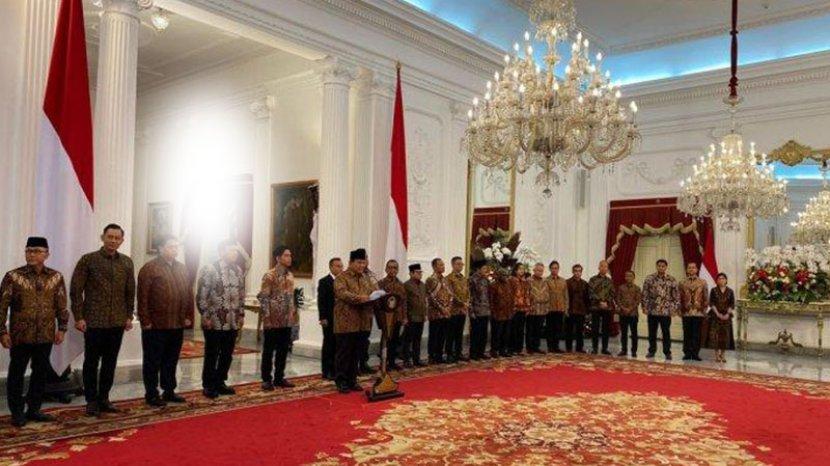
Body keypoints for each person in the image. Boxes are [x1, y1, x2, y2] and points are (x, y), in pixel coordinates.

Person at [0, 237, 68, 427]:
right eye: (28, 250)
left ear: (47, 254)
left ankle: (34, 409)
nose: (31, 254)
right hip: (20, 335)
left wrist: (62, 328)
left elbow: (61, 305)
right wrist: (2, 332)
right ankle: (16, 412)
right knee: (17, 373)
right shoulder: (13, 276)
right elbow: (2, 306)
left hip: (45, 334)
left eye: (36, 251)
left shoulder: (55, 277)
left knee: (40, 373)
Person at [71, 224, 136, 417]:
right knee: (91, 362)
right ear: (103, 237)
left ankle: (104, 398)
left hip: (117, 321)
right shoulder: (88, 260)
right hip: (93, 321)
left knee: (110, 362)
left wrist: (129, 315)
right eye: (110, 237)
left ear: (122, 241)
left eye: (117, 238)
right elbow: (76, 290)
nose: (113, 241)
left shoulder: (127, 262)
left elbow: (130, 291)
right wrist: (78, 316)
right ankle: (91, 400)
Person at [137, 235, 193, 407]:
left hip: (176, 323)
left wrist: (189, 316)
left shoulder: (182, 268)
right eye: (170, 246)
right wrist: (145, 320)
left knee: (171, 359)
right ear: (160, 248)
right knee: (153, 360)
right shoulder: (149, 268)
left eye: (176, 247)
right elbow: (142, 297)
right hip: (156, 324)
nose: (174, 250)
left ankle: (169, 391)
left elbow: (188, 293)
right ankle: (151, 393)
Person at [196, 240, 251, 398]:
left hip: (232, 321)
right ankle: (208, 385)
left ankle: (220, 382)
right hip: (214, 320)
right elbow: (202, 295)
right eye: (231, 251)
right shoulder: (210, 269)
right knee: (212, 353)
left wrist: (241, 314)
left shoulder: (238, 270)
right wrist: (205, 315)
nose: (234, 254)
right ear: (221, 252)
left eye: (235, 251)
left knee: (227, 353)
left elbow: (241, 294)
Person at [333, 248, 377, 393]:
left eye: (363, 263)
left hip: (362, 322)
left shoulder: (365, 278)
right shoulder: (341, 277)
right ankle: (341, 381)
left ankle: (352, 380)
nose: (361, 266)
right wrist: (361, 298)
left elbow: (372, 291)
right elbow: (343, 294)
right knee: (344, 354)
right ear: (350, 262)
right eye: (358, 263)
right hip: (346, 323)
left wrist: (377, 295)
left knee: (356, 353)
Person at [257, 246, 298, 390]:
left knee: (283, 350)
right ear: (278, 258)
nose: (289, 258)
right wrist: (267, 319)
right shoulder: (269, 275)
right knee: (268, 351)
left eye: (290, 255)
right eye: (286, 255)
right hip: (272, 320)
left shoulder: (290, 275)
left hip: (286, 320)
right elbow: (264, 298)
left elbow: (291, 297)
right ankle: (266, 379)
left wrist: (293, 314)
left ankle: (279, 377)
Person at [641, 258, 680, 360]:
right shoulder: (649, 278)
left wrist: (674, 309)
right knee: (652, 332)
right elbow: (645, 293)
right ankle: (651, 351)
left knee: (666, 333)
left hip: (666, 311)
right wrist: (644, 307)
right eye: (659, 266)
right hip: (652, 310)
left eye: (663, 266)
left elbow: (676, 296)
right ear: (656, 266)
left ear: (666, 267)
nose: (661, 268)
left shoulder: (671, 280)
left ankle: (667, 352)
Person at [377, 260, 407, 371]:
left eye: (395, 268)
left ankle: (392, 362)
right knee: (385, 340)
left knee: (395, 340)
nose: (392, 270)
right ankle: (383, 363)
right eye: (390, 267)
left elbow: (404, 301)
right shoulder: (381, 283)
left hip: (397, 317)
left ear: (397, 270)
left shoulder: (400, 284)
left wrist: (404, 317)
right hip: (386, 317)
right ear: (386, 269)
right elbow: (378, 301)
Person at [317, 257, 342, 380]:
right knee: (329, 344)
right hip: (329, 318)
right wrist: (323, 317)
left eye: (341, 266)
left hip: (340, 318)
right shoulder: (324, 281)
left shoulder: (343, 281)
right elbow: (321, 301)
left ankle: (336, 369)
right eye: (337, 266)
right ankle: (326, 371)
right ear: (331, 267)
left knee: (338, 345)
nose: (340, 268)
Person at [703, 273, 736, 363]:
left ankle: (723, 355)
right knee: (715, 336)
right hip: (715, 316)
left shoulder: (730, 291)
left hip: (726, 316)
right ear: (717, 281)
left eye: (723, 278)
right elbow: (711, 303)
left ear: (726, 280)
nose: (721, 280)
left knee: (725, 336)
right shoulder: (714, 290)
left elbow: (732, 304)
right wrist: (717, 313)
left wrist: (727, 314)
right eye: (719, 279)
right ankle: (717, 355)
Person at [679, 262, 708, 361]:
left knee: (697, 334)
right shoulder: (682, 282)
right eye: (689, 268)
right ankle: (687, 353)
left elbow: (706, 297)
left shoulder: (702, 282)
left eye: (693, 268)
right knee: (687, 333)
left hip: (698, 312)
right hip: (686, 313)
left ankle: (695, 353)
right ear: (687, 270)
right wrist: (680, 309)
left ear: (697, 269)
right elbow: (679, 297)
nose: (691, 269)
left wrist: (704, 309)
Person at [425, 258, 452, 364]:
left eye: (443, 265)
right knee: (434, 335)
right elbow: (431, 297)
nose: (443, 267)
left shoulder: (445, 280)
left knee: (442, 335)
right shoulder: (430, 280)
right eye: (440, 265)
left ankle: (439, 355)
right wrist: (442, 308)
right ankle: (432, 356)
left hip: (446, 313)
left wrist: (448, 307)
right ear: (434, 267)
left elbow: (451, 294)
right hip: (435, 313)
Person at [445, 257, 470, 363]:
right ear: (453, 265)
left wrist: (467, 301)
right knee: (451, 333)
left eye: (461, 264)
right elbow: (450, 294)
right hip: (453, 310)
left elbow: (467, 292)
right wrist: (462, 303)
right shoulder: (448, 278)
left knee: (459, 333)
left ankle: (458, 352)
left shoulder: (464, 278)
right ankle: (449, 354)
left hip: (462, 310)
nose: (460, 266)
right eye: (458, 264)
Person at [588, 260, 615, 355]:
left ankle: (604, 348)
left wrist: (606, 302)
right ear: (599, 267)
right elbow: (590, 292)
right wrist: (599, 301)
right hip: (596, 307)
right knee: (595, 328)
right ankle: (594, 348)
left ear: (607, 269)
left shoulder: (610, 281)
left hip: (607, 308)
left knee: (605, 329)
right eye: (602, 266)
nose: (604, 268)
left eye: (605, 267)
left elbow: (612, 293)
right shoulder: (593, 279)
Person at [403, 263, 427, 367]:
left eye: (420, 272)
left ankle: (416, 359)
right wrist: (405, 317)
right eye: (417, 272)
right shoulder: (406, 285)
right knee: (408, 340)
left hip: (420, 316)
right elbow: (404, 302)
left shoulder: (422, 285)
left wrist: (425, 314)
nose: (420, 274)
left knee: (418, 339)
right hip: (411, 316)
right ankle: (406, 360)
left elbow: (424, 301)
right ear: (411, 273)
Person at [358, 264, 380, 374]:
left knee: (365, 339)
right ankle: (354, 365)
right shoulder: (352, 276)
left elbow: (376, 289)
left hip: (368, 313)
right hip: (357, 313)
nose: (364, 262)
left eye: (365, 259)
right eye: (361, 260)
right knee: (356, 340)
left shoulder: (370, 275)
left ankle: (363, 363)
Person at [467, 260, 491, 360]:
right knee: (475, 333)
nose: (486, 270)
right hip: (476, 311)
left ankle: (481, 352)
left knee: (483, 333)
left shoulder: (486, 280)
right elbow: (469, 296)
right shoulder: (472, 280)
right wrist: (471, 312)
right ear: (478, 269)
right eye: (484, 268)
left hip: (485, 310)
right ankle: (474, 353)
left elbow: (488, 296)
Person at [489, 266, 515, 358]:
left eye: (506, 275)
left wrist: (512, 310)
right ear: (499, 275)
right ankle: (494, 350)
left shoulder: (509, 284)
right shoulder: (493, 285)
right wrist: (493, 312)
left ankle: (503, 350)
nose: (505, 277)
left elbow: (511, 297)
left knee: (506, 333)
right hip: (497, 313)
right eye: (503, 275)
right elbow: (491, 300)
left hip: (508, 313)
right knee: (496, 333)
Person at [616, 270, 642, 357]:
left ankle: (634, 351)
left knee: (634, 333)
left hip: (633, 314)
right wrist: (623, 308)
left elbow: (638, 301)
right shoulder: (621, 288)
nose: (628, 278)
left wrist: (630, 309)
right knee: (623, 333)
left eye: (630, 276)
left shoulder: (637, 288)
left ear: (634, 277)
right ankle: (624, 350)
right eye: (627, 276)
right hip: (623, 314)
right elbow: (618, 299)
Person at [545, 261, 569, 353]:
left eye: (556, 268)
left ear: (558, 269)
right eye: (553, 268)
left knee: (558, 329)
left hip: (560, 308)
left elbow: (565, 295)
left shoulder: (563, 281)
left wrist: (566, 308)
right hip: (550, 308)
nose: (554, 270)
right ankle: (550, 347)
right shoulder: (546, 280)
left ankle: (556, 346)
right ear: (550, 269)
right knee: (550, 329)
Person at [565, 264, 590, 353]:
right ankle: (568, 348)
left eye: (579, 271)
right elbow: (565, 297)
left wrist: (587, 311)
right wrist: (566, 309)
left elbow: (587, 298)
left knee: (580, 331)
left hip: (581, 310)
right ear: (573, 272)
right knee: (569, 330)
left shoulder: (585, 283)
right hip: (570, 310)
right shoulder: (567, 282)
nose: (577, 273)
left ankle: (579, 348)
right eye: (575, 271)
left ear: (581, 272)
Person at [527, 263, 549, 354]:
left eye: (541, 271)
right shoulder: (529, 280)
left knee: (538, 329)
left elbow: (547, 293)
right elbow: (527, 294)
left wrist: (546, 306)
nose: (540, 272)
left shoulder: (545, 281)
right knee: (530, 329)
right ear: (534, 270)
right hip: (532, 309)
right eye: (538, 270)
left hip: (542, 309)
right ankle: (529, 348)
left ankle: (536, 346)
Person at [509, 263, 531, 355]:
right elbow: (510, 294)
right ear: (515, 270)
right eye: (520, 269)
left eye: (523, 269)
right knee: (513, 329)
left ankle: (519, 348)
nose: (522, 270)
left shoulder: (525, 281)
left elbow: (527, 294)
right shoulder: (511, 280)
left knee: (521, 330)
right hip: (514, 308)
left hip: (523, 308)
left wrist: (528, 307)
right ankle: (512, 348)